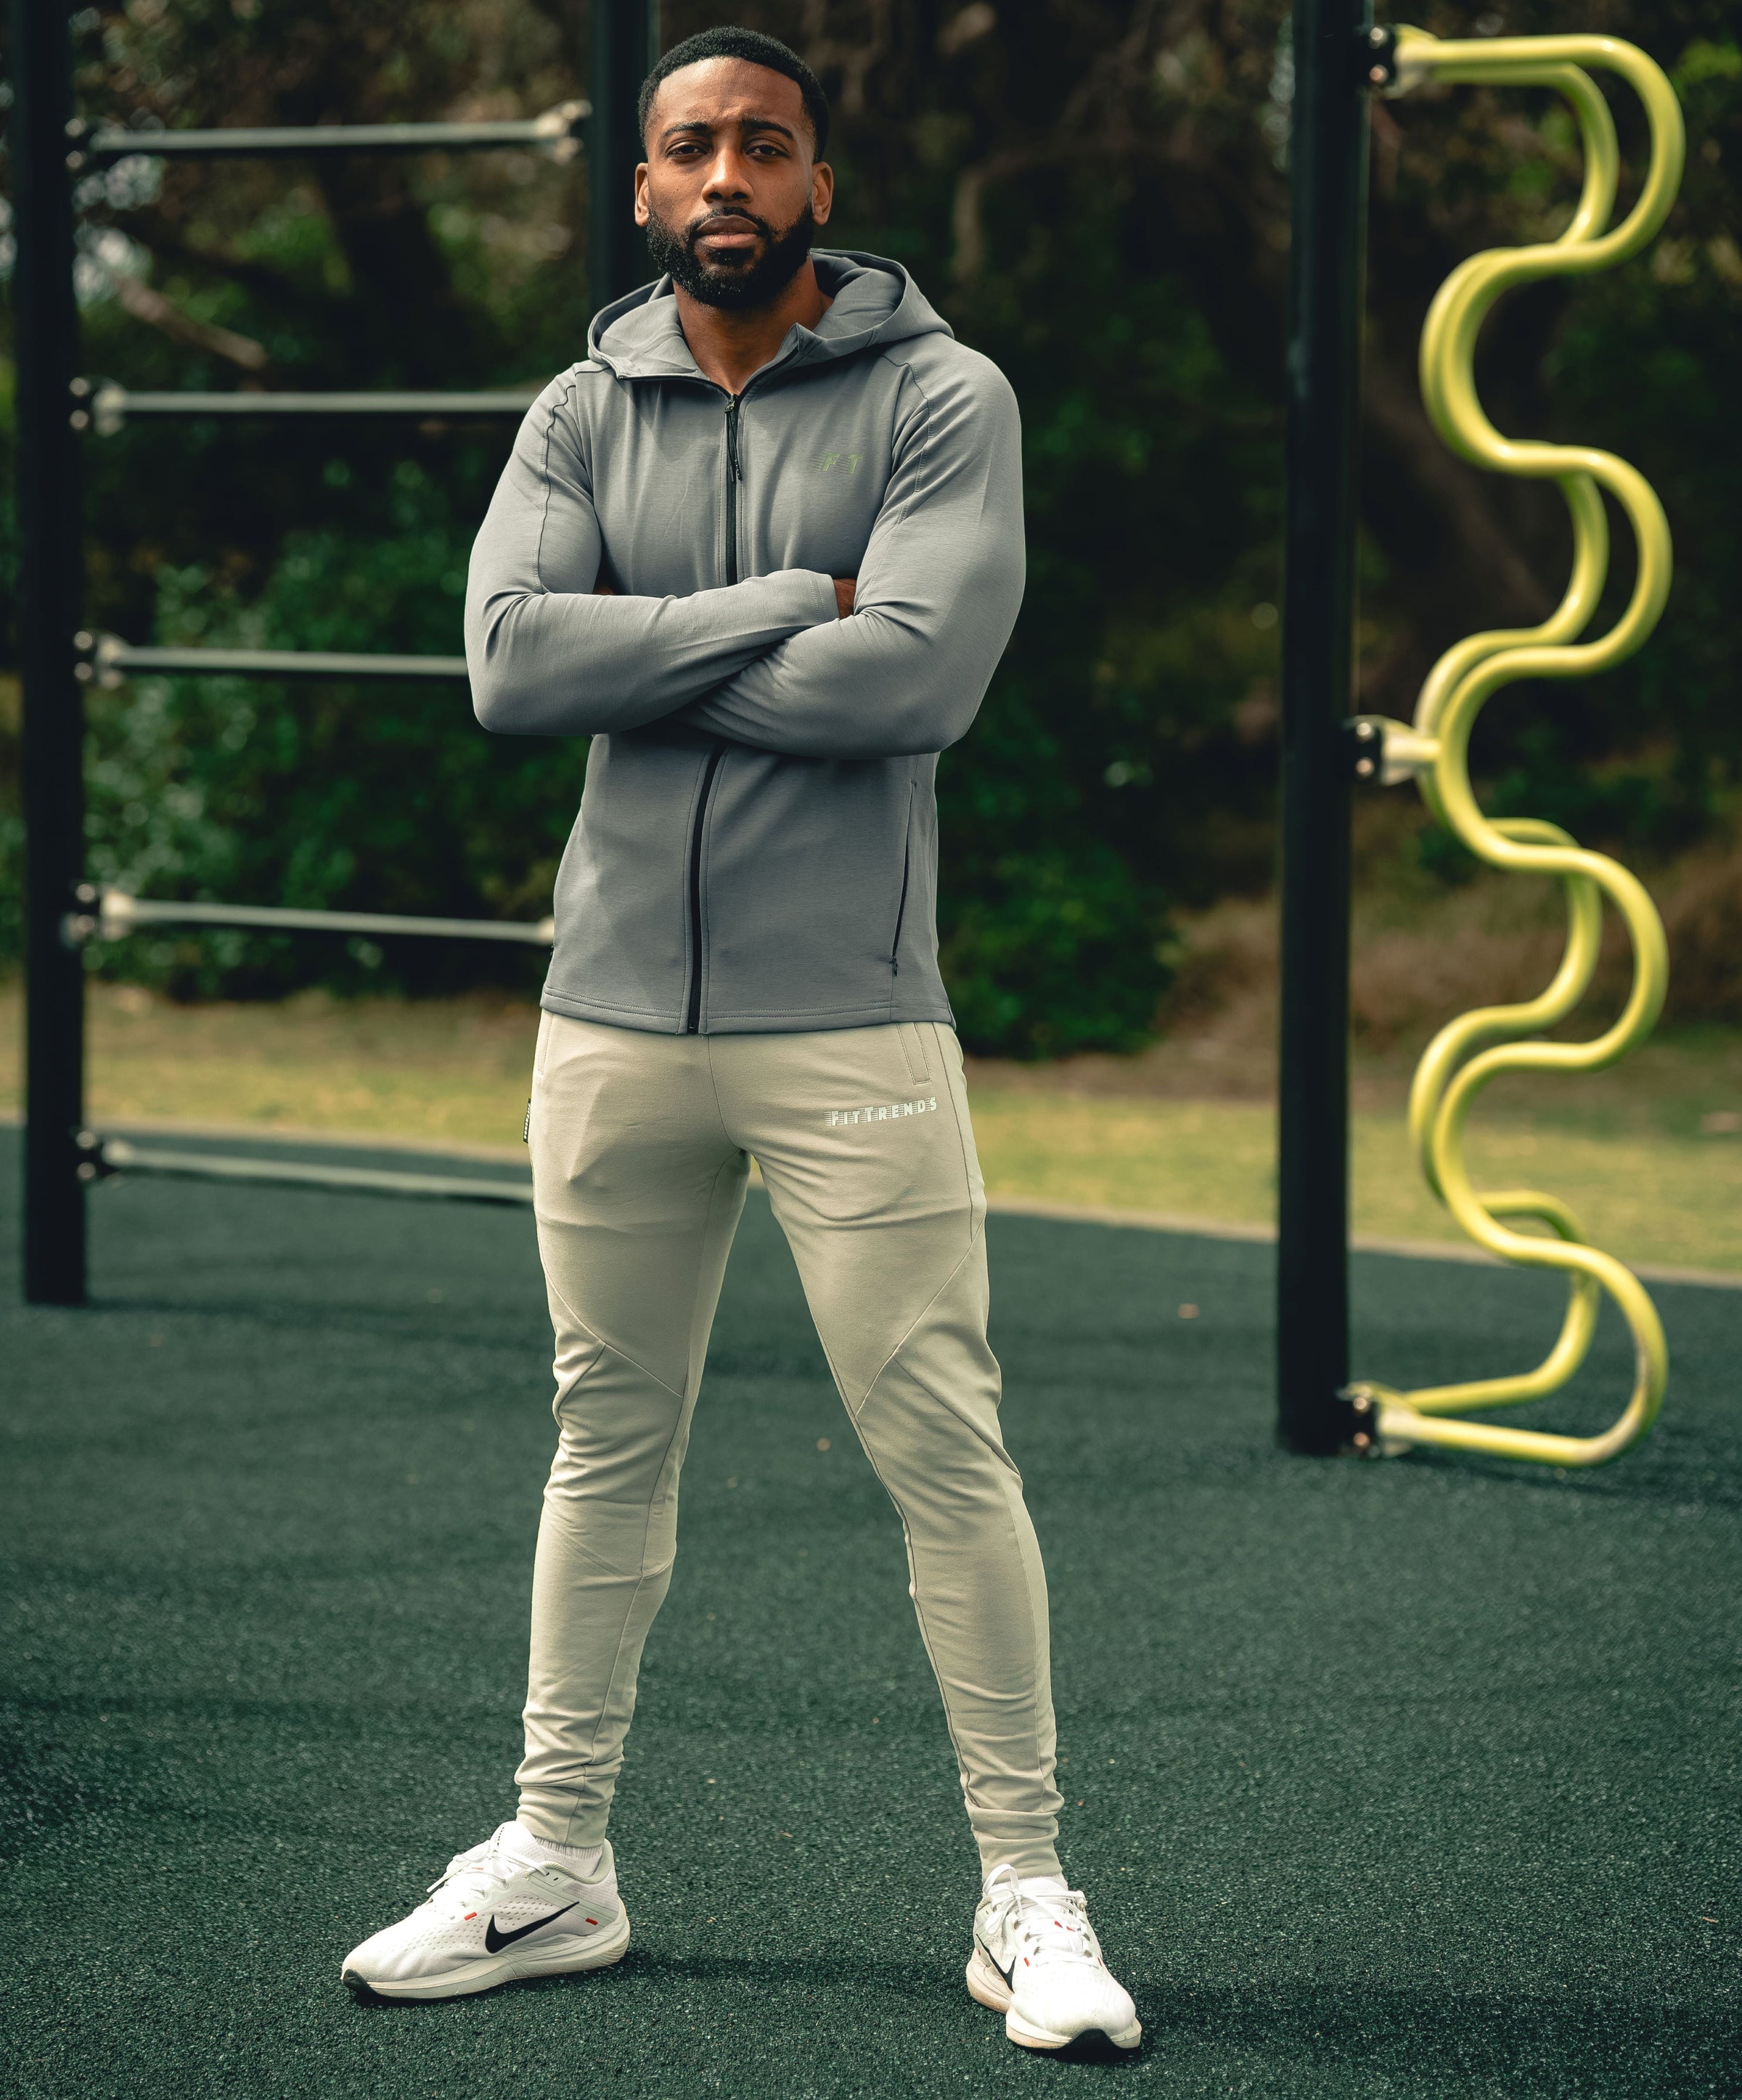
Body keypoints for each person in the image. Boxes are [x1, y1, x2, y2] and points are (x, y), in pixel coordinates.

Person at [340, 24, 1140, 2054]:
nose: (726, 176)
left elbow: (913, 688)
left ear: (814, 185)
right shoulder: (574, 407)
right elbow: (508, 671)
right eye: (689, 146)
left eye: (762, 147)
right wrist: (789, 593)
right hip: (606, 1018)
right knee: (601, 1438)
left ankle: (1027, 1894)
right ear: (641, 187)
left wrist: (649, 650)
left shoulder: (948, 398)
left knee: (940, 1448)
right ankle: (555, 1864)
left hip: (853, 1021)